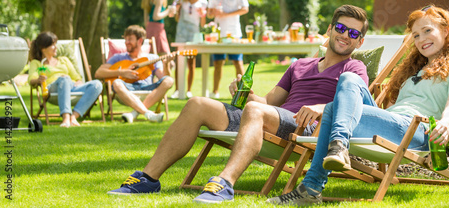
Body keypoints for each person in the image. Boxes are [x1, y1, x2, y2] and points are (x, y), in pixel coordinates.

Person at [106, 4, 369, 204]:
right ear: (330, 29)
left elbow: (353, 102)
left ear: (360, 41)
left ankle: (224, 183)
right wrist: (247, 92)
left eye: (353, 33)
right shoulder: (299, 65)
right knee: (197, 103)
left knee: (255, 110)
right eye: (341, 28)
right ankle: (148, 178)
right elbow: (266, 102)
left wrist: (321, 108)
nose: (346, 35)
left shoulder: (354, 68)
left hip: (307, 129)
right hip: (273, 119)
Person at [267, 5, 449, 206]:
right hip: (393, 125)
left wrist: (447, 122)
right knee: (348, 78)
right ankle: (337, 149)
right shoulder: (414, 71)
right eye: (416, 35)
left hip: (417, 131)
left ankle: (313, 185)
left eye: (427, 31)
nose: (421, 39)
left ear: (446, 30)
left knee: (332, 108)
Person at [94, 25, 174, 123]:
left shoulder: (152, 57)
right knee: (117, 83)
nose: (126, 42)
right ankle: (148, 114)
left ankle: (135, 114)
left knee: (169, 80)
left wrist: (166, 64)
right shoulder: (118, 57)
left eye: (130, 39)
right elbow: (98, 73)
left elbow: (163, 77)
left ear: (140, 41)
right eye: (125, 39)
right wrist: (122, 72)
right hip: (127, 88)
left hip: (148, 88)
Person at [28, 32, 103, 128]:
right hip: (52, 89)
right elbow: (31, 80)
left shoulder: (64, 60)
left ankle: (73, 117)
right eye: (52, 45)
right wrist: (38, 80)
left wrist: (78, 81)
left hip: (70, 87)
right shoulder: (37, 63)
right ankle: (65, 118)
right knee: (64, 79)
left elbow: (76, 77)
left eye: (56, 44)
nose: (56, 47)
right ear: (43, 48)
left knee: (97, 84)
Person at [207, 0, 249, 98]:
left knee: (237, 62)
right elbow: (209, 14)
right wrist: (211, 13)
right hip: (218, 34)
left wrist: (226, 14)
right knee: (218, 63)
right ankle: (215, 92)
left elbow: (245, 9)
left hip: (234, 33)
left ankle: (243, 91)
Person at [170, 0, 208, 99]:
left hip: (194, 33)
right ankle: (177, 90)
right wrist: (178, 8)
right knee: (179, 61)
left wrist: (202, 14)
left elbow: (203, 24)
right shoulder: (181, 1)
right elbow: (177, 18)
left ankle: (189, 90)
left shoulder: (202, 3)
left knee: (191, 62)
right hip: (181, 32)